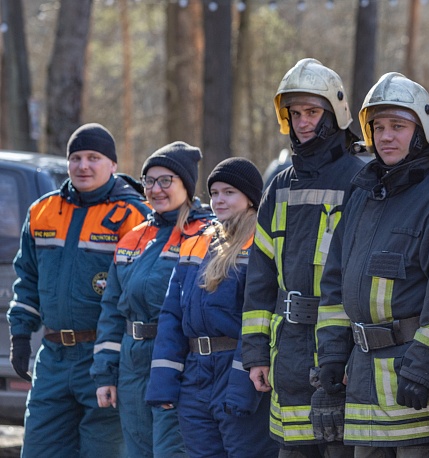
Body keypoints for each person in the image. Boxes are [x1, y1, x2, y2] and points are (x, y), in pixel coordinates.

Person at [315, 72, 429, 457]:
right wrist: (331, 354)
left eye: (398, 126)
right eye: (378, 127)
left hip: (418, 391)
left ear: (421, 130)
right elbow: (334, 282)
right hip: (364, 385)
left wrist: (426, 366)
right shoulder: (363, 195)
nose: (386, 136)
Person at [240, 58, 364, 458]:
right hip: (287, 351)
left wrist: (343, 352)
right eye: (295, 114)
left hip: (343, 349)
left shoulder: (361, 179)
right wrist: (256, 353)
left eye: (312, 112)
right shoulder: (277, 187)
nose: (303, 122)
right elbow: (259, 277)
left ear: (334, 115)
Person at [7, 123, 150, 457]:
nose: (83, 165)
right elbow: (27, 278)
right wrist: (19, 335)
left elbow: (141, 295)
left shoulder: (134, 217)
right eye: (76, 157)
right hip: (53, 357)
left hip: (104, 360)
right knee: (39, 449)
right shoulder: (41, 211)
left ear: (112, 164)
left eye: (93, 157)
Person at [145, 157, 278, 457]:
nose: (219, 200)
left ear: (251, 199)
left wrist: (241, 387)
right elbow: (171, 316)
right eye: (214, 192)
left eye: (229, 192)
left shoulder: (262, 242)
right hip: (195, 376)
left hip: (237, 370)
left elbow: (259, 317)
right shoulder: (195, 241)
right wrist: (163, 382)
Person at [92, 141, 211, 458]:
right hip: (132, 366)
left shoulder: (206, 234)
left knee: (174, 450)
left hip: (178, 363)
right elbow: (112, 311)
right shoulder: (132, 237)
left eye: (165, 181)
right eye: (149, 180)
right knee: (137, 451)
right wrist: (105, 373)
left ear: (185, 184)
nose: (156, 189)